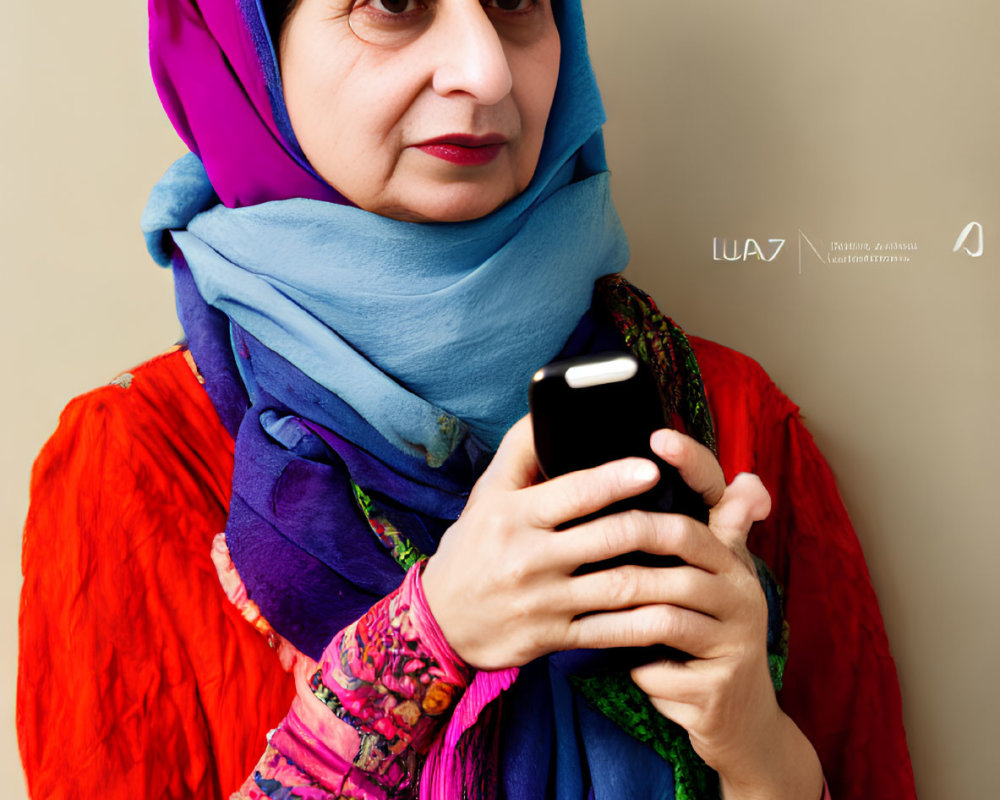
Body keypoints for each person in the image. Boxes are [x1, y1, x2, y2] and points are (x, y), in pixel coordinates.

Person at [17, 0, 916, 798]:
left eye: (521, 1)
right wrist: (427, 636)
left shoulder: (729, 421)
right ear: (247, 51)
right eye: (394, 2)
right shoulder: (137, 463)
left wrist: (757, 750)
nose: (486, 71)